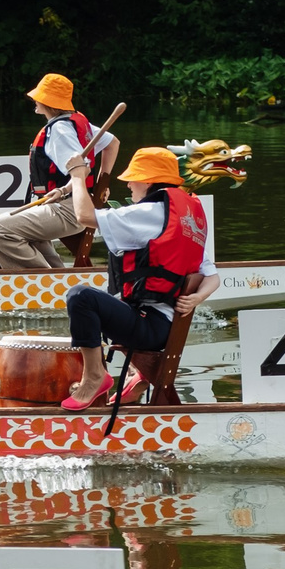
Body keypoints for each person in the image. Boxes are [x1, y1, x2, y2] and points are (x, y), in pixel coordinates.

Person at [59, 145, 221, 409]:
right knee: (103, 301)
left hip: (149, 328)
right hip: (163, 327)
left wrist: (77, 176)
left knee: (80, 297)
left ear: (147, 181)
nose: (129, 185)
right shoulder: (185, 219)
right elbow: (212, 276)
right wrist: (197, 299)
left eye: (132, 179)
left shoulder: (149, 213)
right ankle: (139, 375)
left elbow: (84, 216)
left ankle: (94, 377)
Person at [0, 72, 117, 270]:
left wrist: (66, 190)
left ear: (47, 102)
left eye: (38, 97)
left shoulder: (60, 130)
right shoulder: (75, 121)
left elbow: (81, 168)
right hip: (70, 204)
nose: (34, 100)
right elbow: (113, 143)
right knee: (26, 233)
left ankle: (39, 282)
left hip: (67, 209)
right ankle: (57, 277)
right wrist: (101, 184)